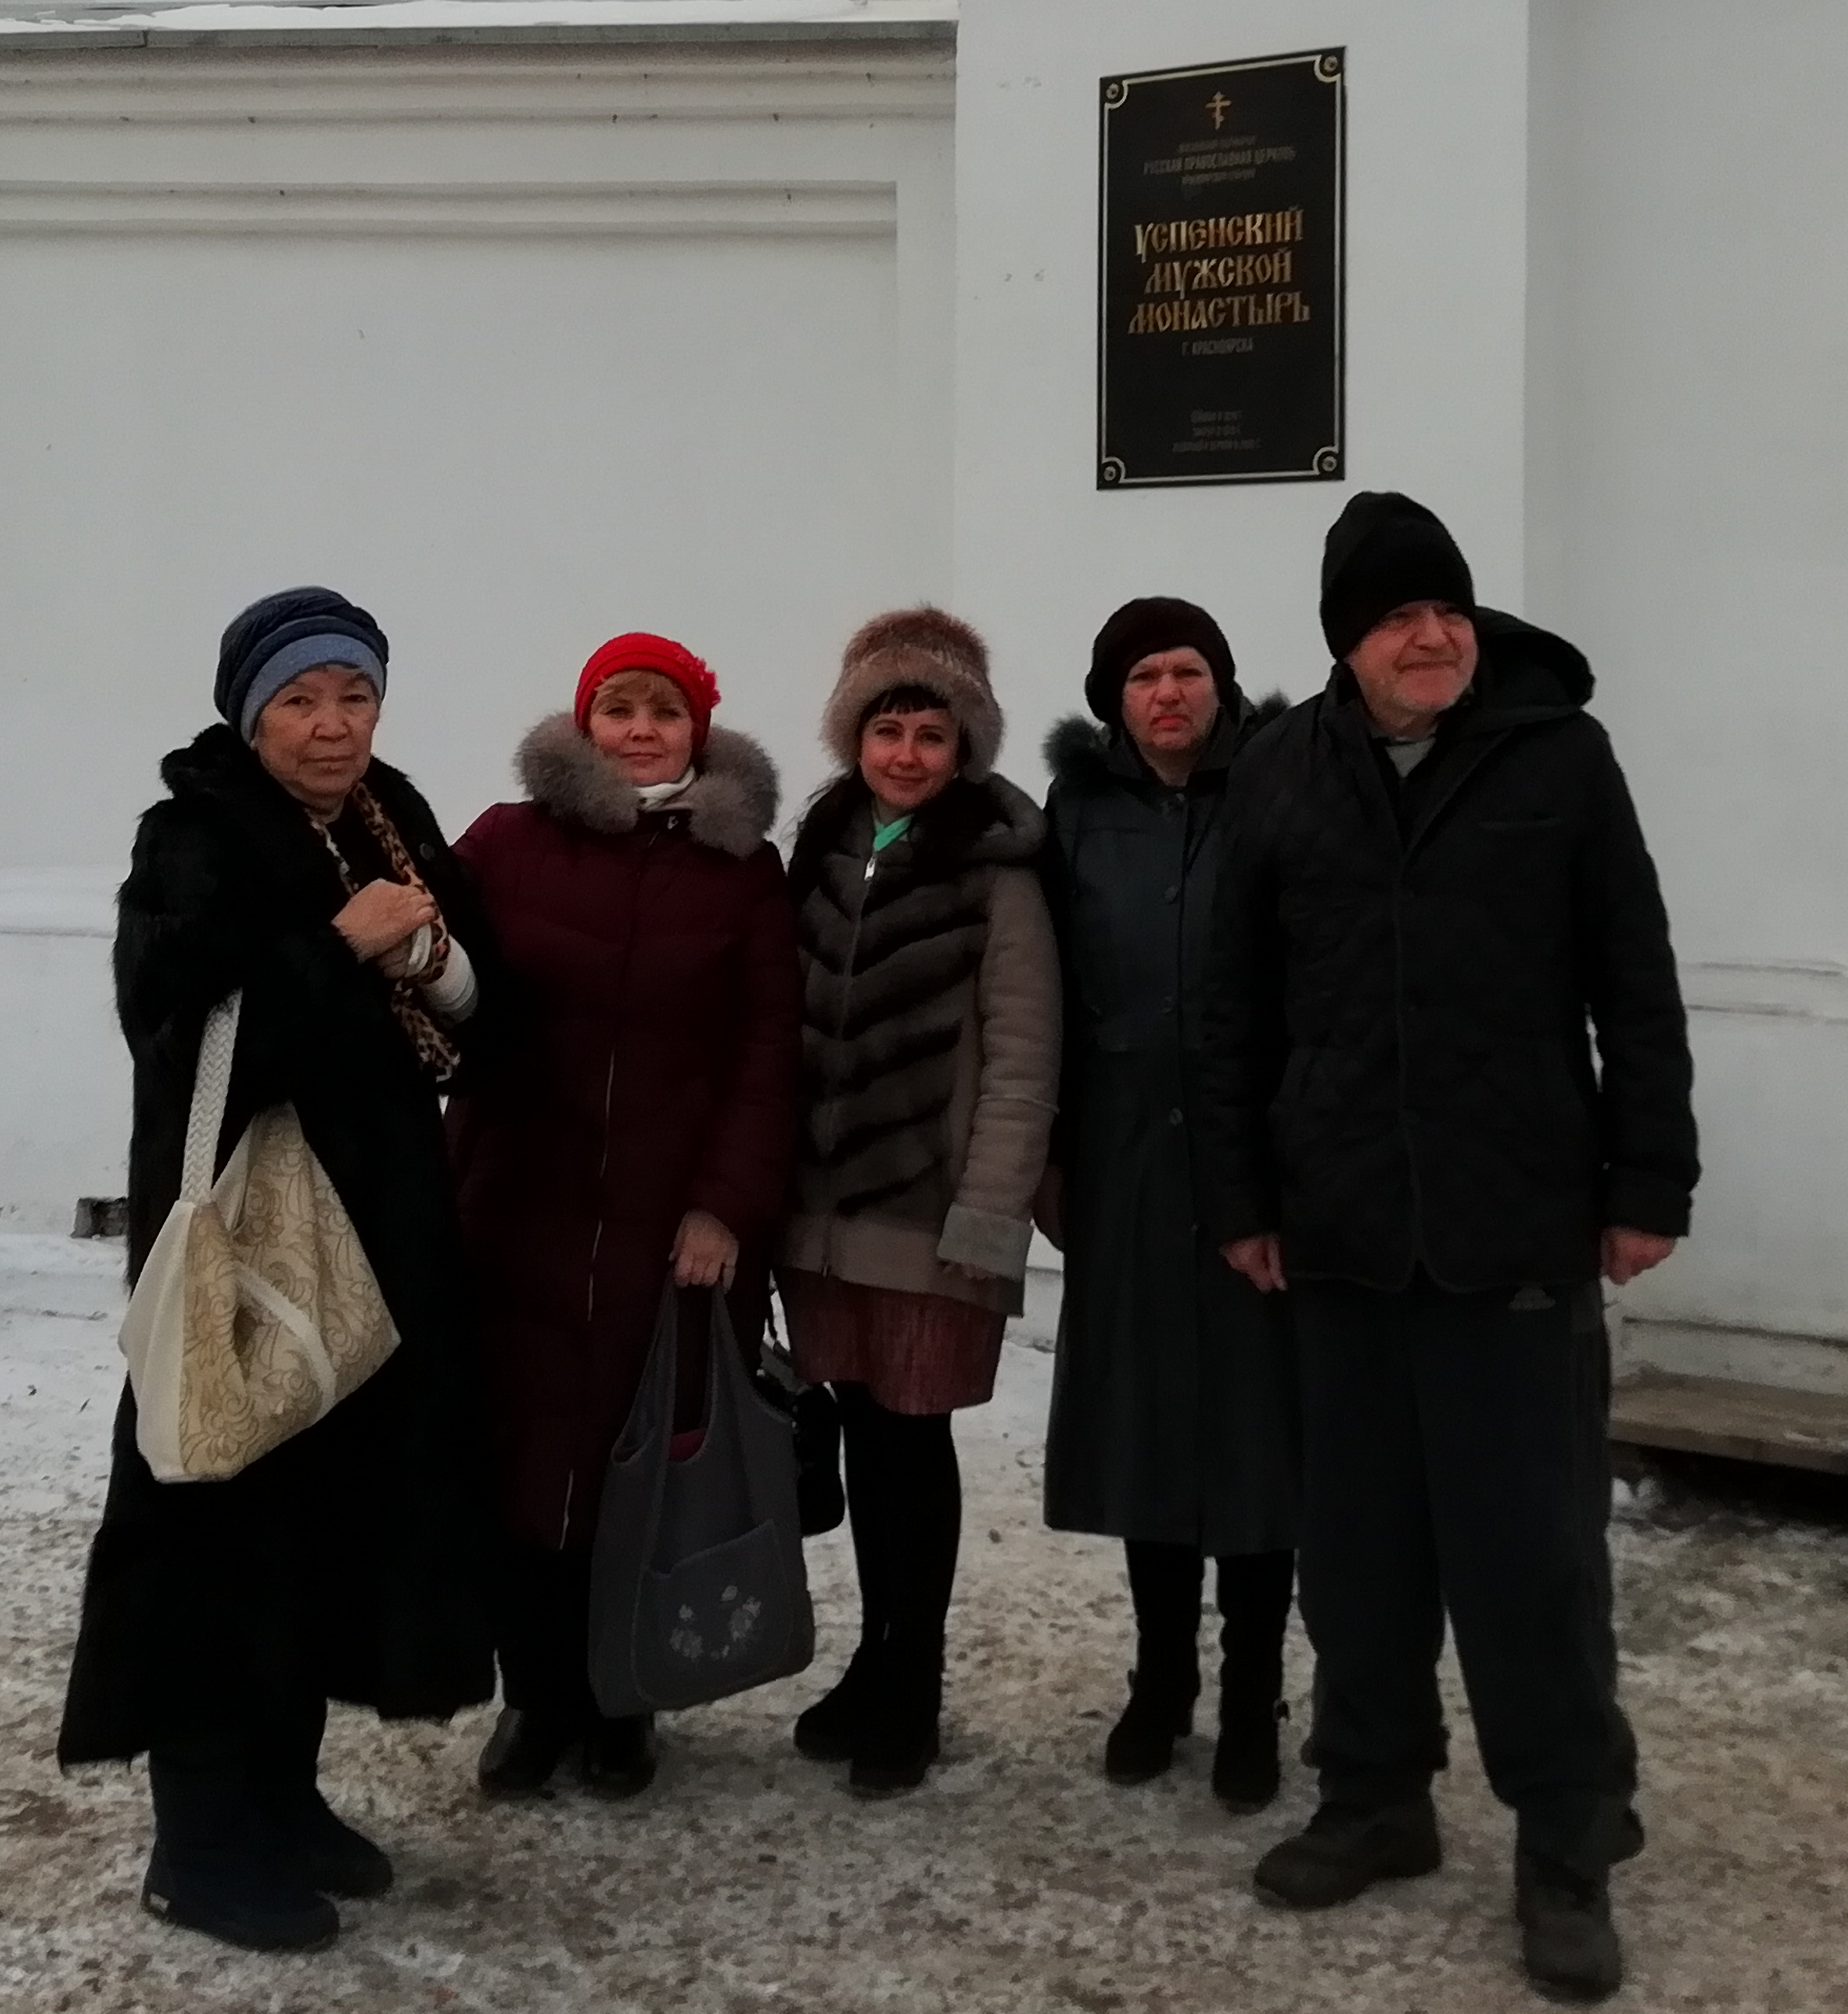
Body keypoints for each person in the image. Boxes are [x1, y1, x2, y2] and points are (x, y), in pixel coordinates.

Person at [1198, 494, 1697, 2007]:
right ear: (1347, 642)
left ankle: (1567, 1840)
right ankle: (1375, 1796)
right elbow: (1232, 1004)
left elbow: (1635, 976)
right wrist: (1240, 1199)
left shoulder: (1559, 755)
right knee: (1356, 1547)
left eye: (1447, 611)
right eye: (1398, 617)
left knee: (1533, 1557)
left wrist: (1648, 1178)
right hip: (1339, 1225)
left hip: (1514, 1220)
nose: (1431, 637)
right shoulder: (1280, 769)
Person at [59, 587, 499, 1954]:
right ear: (252, 717)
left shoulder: (389, 817)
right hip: (250, 1247)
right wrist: (338, 949)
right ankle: (198, 1845)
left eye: (355, 696)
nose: (332, 725)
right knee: (220, 1533)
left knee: (325, 1529)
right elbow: (182, 1044)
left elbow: (474, 1013)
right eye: (301, 701)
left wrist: (437, 965)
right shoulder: (193, 842)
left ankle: (284, 1799)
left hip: (377, 1241)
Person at [447, 632, 799, 1802]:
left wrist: (723, 1206)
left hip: (665, 1233)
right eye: (619, 708)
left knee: (634, 1470)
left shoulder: (741, 870)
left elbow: (766, 1055)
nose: (641, 730)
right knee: (517, 1465)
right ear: (585, 723)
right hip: (519, 1207)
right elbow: (435, 978)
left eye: (664, 710)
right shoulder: (506, 844)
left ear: (699, 729)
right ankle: (533, 1697)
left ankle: (623, 1700)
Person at [778, 606, 1061, 1798]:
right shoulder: (819, 849)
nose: (906, 754)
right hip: (822, 1215)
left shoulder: (997, 873)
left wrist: (987, 1216)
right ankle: (872, 1658)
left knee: (911, 1441)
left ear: (963, 748)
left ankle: (914, 1681)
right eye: (887, 729)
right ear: (855, 736)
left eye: (930, 734)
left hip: (932, 1219)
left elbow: (1024, 1061)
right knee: (857, 1430)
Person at [1037, 598, 1300, 1811]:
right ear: (1115, 700)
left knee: (1256, 1440)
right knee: (1147, 1432)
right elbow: (1046, 987)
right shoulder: (1078, 812)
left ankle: (1253, 1694)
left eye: (1189, 671)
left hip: (1257, 1164)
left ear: (1222, 686)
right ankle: (1163, 1680)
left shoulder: (1283, 791)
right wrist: (1051, 1156)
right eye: (1144, 677)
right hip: (1127, 1161)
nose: (1169, 694)